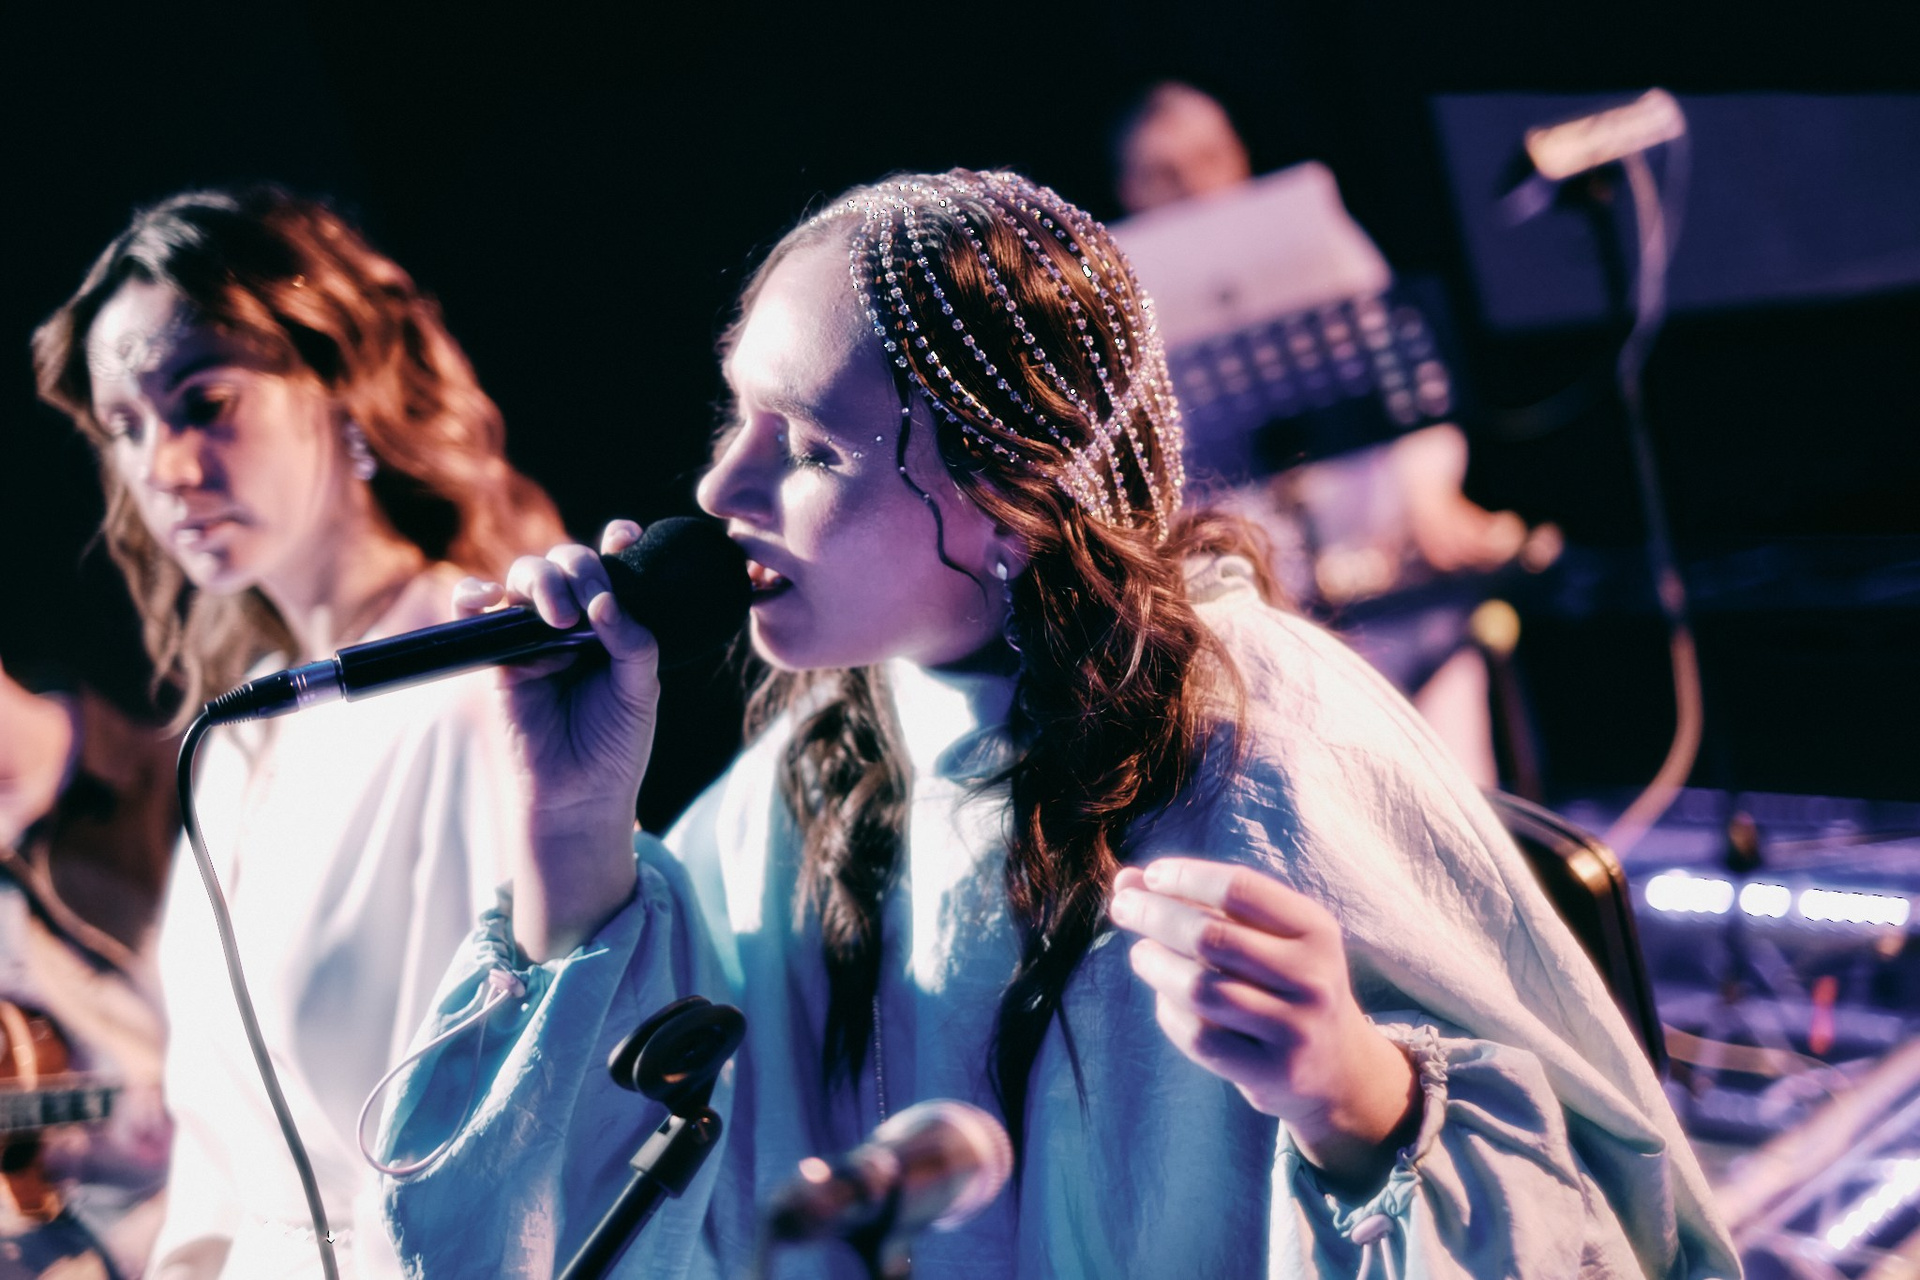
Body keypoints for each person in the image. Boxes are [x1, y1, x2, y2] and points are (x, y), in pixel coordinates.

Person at [378, 170, 1735, 1278]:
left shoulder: (1255, 744)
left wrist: (1356, 1097)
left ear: (1012, 501)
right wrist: (569, 828)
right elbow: (568, 1224)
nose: (721, 490)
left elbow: (1593, 1234)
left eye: (809, 449)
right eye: (738, 416)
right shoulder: (817, 766)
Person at [31, 187, 565, 1279]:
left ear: (341, 382)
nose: (164, 469)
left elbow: (506, 1132)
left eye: (205, 402)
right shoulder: (235, 734)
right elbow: (217, 1149)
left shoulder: (477, 686)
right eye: (128, 427)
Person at [1115, 81, 1562, 787]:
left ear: (1239, 153)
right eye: (1164, 172)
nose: (1194, 183)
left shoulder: (1315, 234)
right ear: (1129, 188)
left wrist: (1431, 499)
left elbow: (1412, 384)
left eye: (1209, 157)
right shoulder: (1121, 299)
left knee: (1457, 774)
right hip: (1254, 592)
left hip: (1383, 552)